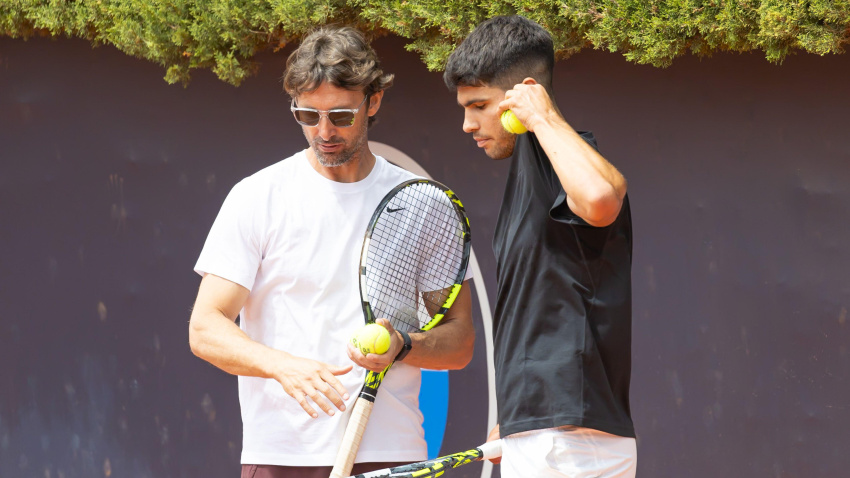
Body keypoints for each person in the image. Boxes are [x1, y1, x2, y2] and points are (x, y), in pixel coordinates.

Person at [189, 26, 474, 478]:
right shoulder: (256, 195)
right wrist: (283, 366)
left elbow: (459, 343)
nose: (323, 132)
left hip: (392, 451)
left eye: (341, 116)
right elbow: (205, 328)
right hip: (281, 453)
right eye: (307, 115)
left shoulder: (425, 202)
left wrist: (403, 346)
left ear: (373, 102)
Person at [444, 15, 637, 478]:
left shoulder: (560, 156)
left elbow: (601, 198)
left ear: (524, 95)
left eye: (479, 105)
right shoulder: (531, 172)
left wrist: (543, 116)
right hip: (542, 432)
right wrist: (513, 417)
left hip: (568, 444)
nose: (467, 124)